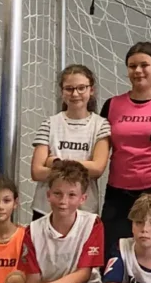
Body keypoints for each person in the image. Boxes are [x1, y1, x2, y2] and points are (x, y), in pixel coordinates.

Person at [101, 42, 151, 265]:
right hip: (118, 195)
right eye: (132, 66)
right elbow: (100, 150)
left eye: (144, 65)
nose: (138, 71)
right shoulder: (112, 105)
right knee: (113, 256)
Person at [30, 64, 110, 216]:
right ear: (62, 91)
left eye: (81, 88)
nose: (75, 94)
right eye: (69, 88)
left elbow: (97, 168)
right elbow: (37, 172)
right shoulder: (49, 123)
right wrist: (81, 168)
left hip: (84, 210)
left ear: (91, 90)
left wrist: (56, 163)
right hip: (46, 209)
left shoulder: (101, 125)